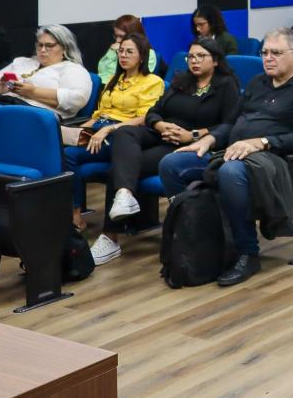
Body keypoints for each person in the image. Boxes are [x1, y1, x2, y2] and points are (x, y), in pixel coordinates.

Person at [159, 28, 293, 286]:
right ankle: (201, 236)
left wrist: (262, 142)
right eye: (265, 52)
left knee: (230, 171)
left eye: (276, 53)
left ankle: (247, 252)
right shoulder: (257, 82)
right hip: (231, 151)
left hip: (273, 159)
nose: (268, 58)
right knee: (171, 164)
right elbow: (230, 122)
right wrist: (208, 140)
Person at [88, 38, 241, 265]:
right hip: (161, 132)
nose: (194, 61)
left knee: (118, 170)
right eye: (191, 56)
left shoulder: (226, 86)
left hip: (189, 143)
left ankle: (110, 236)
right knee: (124, 132)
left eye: (201, 56)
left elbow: (229, 125)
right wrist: (161, 125)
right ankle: (124, 196)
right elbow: (153, 111)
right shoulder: (181, 80)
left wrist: (193, 135)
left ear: (216, 60)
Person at [62, 33, 164, 232]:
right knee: (63, 149)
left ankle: (76, 215)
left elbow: (146, 117)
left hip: (123, 134)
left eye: (129, 52)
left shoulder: (152, 82)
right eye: (121, 51)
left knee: (70, 155)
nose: (123, 56)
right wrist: (80, 131)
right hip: (99, 129)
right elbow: (99, 114)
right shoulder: (114, 79)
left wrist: (109, 129)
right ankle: (72, 211)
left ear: (142, 56)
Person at [0, 25, 92, 118]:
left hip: (34, 116)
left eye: (49, 45)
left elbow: (77, 99)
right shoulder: (22, 62)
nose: (42, 50)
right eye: (40, 45)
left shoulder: (72, 68)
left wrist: (33, 92)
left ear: (64, 48)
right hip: (0, 106)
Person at [96, 14, 159, 84]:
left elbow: (137, 76)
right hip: (106, 84)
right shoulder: (116, 48)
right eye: (116, 36)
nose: (117, 40)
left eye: (121, 36)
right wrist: (112, 52)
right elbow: (101, 69)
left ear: (133, 34)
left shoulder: (149, 54)